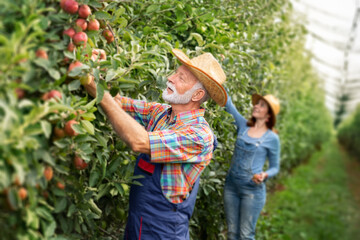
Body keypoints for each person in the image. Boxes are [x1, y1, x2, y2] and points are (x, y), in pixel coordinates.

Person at [83, 49, 227, 239]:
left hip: (164, 231)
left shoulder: (199, 136)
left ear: (197, 94)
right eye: (175, 72)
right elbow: (116, 102)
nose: (171, 78)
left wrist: (96, 89)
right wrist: (95, 70)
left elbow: (139, 141)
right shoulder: (160, 113)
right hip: (137, 222)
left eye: (181, 78)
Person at [223, 91, 281, 240]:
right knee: (232, 233)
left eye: (262, 105)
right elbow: (229, 105)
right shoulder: (243, 126)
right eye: (257, 103)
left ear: (269, 116)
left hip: (252, 191)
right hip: (231, 186)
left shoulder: (272, 138)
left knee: (245, 234)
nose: (256, 106)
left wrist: (264, 175)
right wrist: (217, 83)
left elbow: (275, 166)